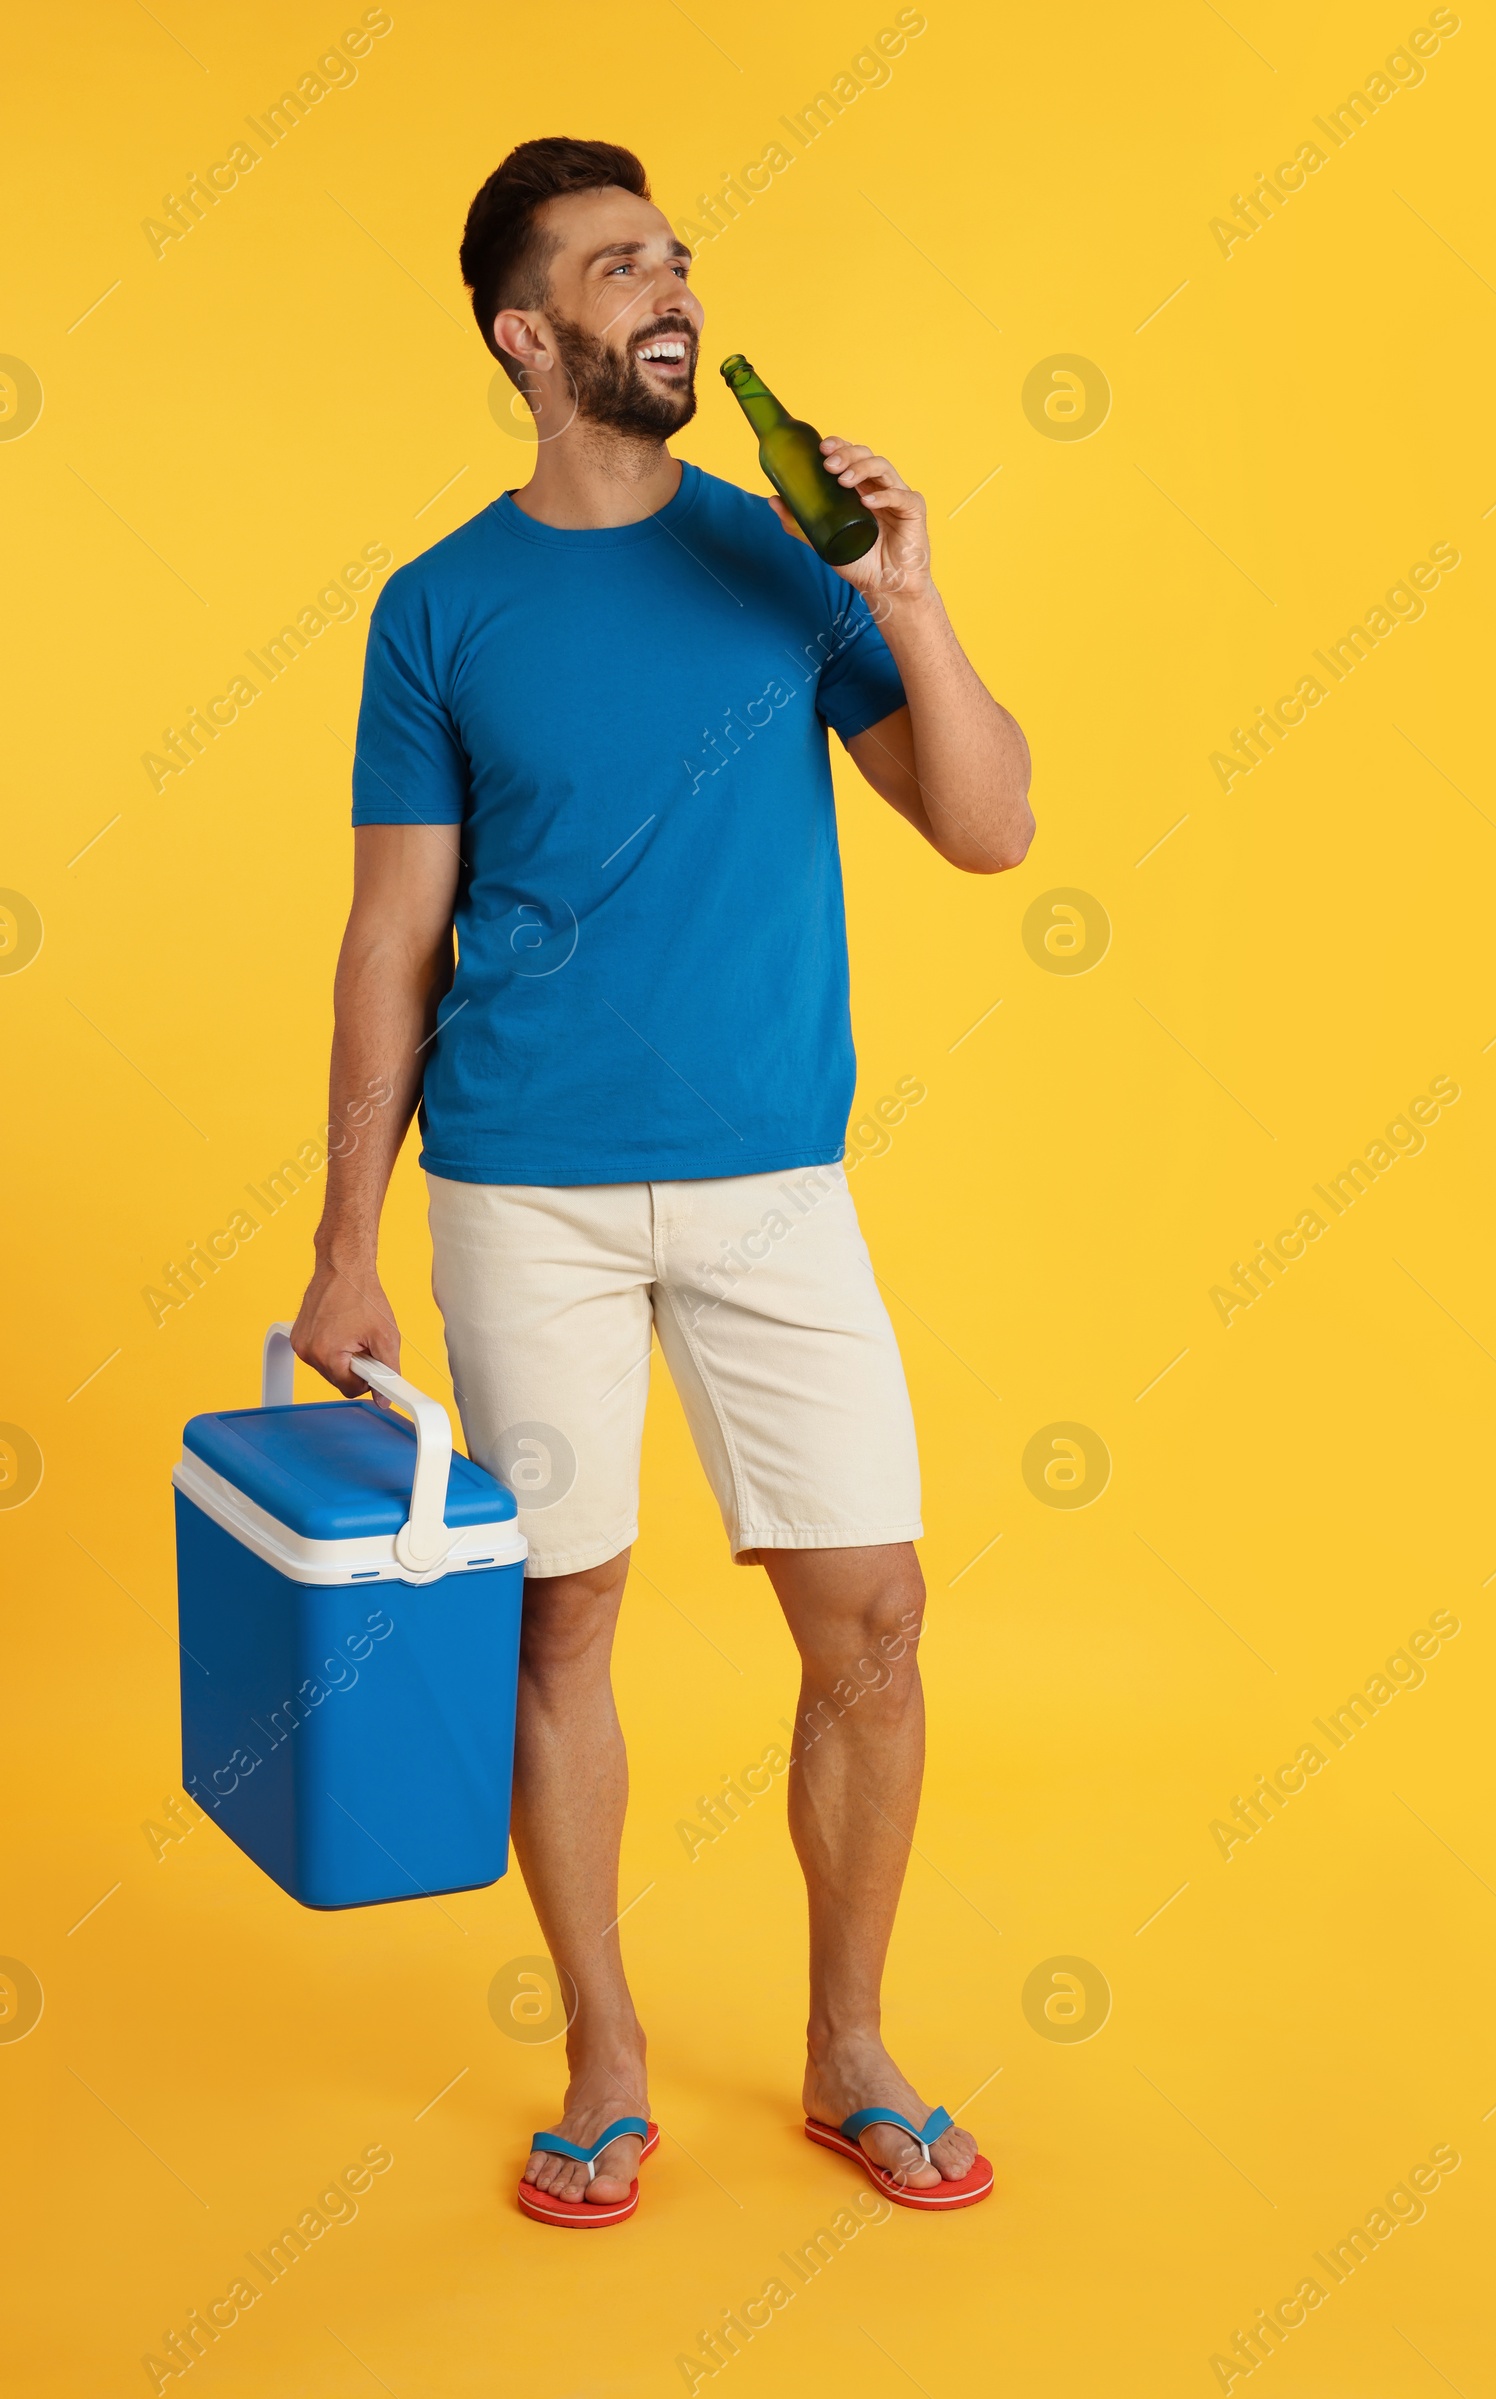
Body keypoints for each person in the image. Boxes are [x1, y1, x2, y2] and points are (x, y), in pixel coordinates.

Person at [292, 135, 1033, 2222]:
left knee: (870, 1623)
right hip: (517, 1186)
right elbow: (389, 939)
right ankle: (602, 2052)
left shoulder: (781, 564)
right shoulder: (436, 608)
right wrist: (344, 1245)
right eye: (620, 265)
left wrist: (907, 593)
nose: (670, 287)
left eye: (677, 253)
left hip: (769, 1185)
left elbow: (986, 830)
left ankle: (847, 2047)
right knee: (563, 1622)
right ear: (529, 335)